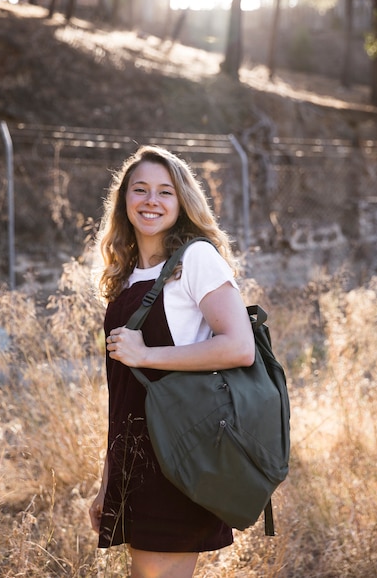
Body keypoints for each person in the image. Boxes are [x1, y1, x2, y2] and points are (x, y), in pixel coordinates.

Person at [89, 145, 255, 578]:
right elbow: (123, 391)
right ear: (124, 199)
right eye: (140, 189)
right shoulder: (125, 276)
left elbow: (240, 346)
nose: (151, 201)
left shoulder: (196, 259)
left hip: (177, 456)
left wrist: (147, 353)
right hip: (132, 459)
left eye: (165, 192)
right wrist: (108, 483)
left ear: (182, 202)